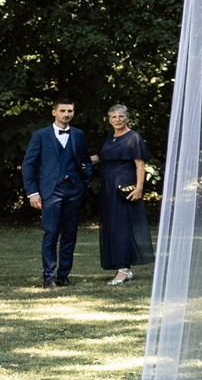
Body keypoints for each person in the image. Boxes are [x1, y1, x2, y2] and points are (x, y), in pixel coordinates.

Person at [22, 100, 91, 287]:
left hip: (74, 190)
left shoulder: (78, 134)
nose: (66, 114)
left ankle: (63, 275)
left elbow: (86, 160)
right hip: (51, 191)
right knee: (51, 233)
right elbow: (28, 165)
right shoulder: (40, 135)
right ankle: (48, 276)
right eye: (63, 110)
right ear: (54, 112)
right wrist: (33, 193)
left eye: (70, 111)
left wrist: (84, 181)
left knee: (70, 234)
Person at [94, 104, 151, 285]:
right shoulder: (110, 138)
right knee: (112, 225)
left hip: (124, 186)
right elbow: (102, 157)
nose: (117, 119)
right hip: (108, 187)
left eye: (120, 116)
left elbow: (139, 164)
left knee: (122, 226)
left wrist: (139, 188)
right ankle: (121, 266)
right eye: (113, 117)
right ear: (109, 120)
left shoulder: (133, 137)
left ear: (127, 118)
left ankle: (124, 269)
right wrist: (76, 160)